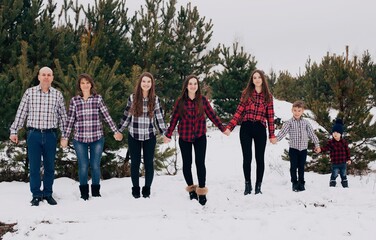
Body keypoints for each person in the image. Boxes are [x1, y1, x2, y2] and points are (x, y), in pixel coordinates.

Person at [164, 75, 230, 206]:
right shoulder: (180, 102)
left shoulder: (203, 100)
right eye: (190, 84)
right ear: (186, 86)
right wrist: (168, 134)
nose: (193, 86)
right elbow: (174, 119)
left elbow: (212, 115)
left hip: (200, 137)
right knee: (187, 164)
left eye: (195, 84)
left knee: (200, 163)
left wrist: (222, 128)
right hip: (185, 138)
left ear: (197, 86)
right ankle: (191, 190)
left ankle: (201, 191)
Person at [9, 66, 67, 206]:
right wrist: (14, 130)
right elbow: (21, 113)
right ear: (39, 77)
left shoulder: (57, 95)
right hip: (33, 134)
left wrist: (64, 135)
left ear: (52, 77)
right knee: (34, 167)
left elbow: (63, 117)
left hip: (50, 135)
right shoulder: (30, 93)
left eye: (49, 75)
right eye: (43, 74)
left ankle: (47, 193)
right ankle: (36, 194)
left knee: (49, 167)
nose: (46, 77)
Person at [61, 73, 123, 200]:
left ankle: (96, 192)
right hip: (80, 139)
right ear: (79, 85)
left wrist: (115, 131)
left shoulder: (97, 99)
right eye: (82, 83)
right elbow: (70, 120)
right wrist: (65, 137)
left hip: (97, 139)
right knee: (83, 165)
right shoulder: (75, 101)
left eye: (87, 83)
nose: (85, 85)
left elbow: (107, 117)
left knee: (95, 165)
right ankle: (84, 193)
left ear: (91, 84)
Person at [226, 69, 276, 195]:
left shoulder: (268, 97)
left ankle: (258, 186)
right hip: (246, 128)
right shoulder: (246, 93)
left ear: (262, 79)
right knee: (247, 158)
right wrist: (230, 127)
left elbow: (270, 117)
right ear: (252, 80)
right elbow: (238, 112)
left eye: (259, 77)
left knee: (260, 159)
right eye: (254, 78)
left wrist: (272, 134)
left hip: (260, 129)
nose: (257, 79)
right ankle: (247, 185)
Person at [119, 72, 166, 199]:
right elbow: (127, 115)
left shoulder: (155, 99)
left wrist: (164, 133)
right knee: (135, 163)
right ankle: (135, 188)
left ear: (152, 84)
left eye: (148, 82)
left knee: (149, 163)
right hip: (134, 135)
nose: (146, 84)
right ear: (140, 83)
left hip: (149, 136)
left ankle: (147, 188)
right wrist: (119, 130)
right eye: (144, 81)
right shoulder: (133, 98)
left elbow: (159, 118)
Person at [271, 100, 320, 192]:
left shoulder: (306, 123)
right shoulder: (289, 123)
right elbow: (282, 132)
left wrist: (317, 144)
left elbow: (312, 134)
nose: (297, 112)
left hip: (303, 149)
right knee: (293, 166)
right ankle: (294, 182)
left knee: (301, 166)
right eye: (295, 110)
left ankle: (301, 183)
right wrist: (276, 139)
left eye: (299, 110)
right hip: (293, 149)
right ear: (292, 110)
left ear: (302, 111)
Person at [316, 119, 351, 188]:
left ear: (341, 134)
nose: (335, 134)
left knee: (343, 174)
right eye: (334, 132)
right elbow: (326, 148)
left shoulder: (344, 142)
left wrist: (348, 159)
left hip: (343, 162)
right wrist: (320, 149)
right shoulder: (331, 142)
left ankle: (345, 185)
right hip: (335, 163)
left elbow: (347, 151)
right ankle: (332, 184)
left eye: (337, 132)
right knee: (334, 174)